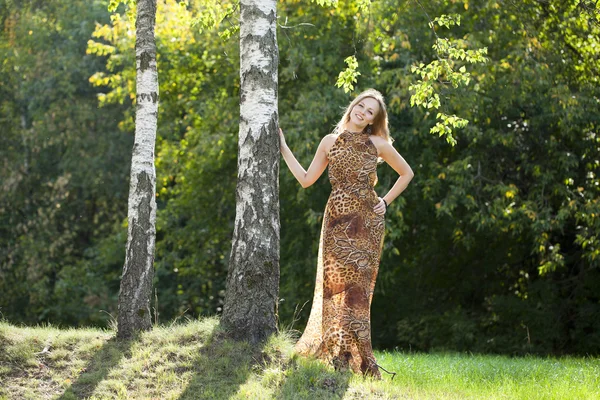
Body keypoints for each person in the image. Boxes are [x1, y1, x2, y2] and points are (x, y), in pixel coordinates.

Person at [279, 88, 414, 378]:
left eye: (370, 112)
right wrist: (283, 147)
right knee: (334, 288)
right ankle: (337, 354)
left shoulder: (378, 143)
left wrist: (385, 202)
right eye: (361, 106)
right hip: (337, 220)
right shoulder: (330, 141)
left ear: (372, 121)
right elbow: (305, 180)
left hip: (367, 222)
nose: (363, 113)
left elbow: (407, 173)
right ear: (353, 106)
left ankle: (357, 357)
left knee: (357, 293)